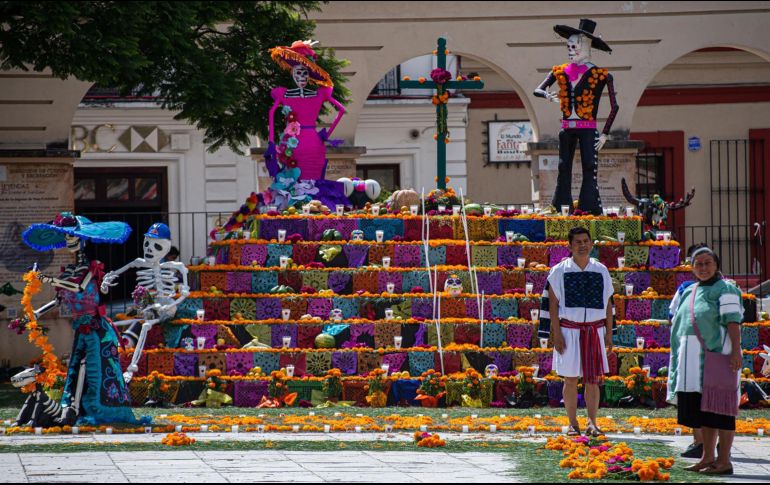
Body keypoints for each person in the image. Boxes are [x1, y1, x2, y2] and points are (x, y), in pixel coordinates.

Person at [667, 245, 743, 475]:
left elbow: (733, 322)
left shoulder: (726, 288)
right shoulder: (690, 290)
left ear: (717, 265)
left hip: (717, 360)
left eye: (707, 263)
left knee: (722, 412)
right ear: (691, 268)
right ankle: (707, 457)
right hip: (691, 364)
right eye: (698, 263)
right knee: (704, 412)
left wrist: (736, 351)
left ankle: (724, 461)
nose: (703, 267)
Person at [534, 19, 619, 215]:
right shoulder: (560, 70)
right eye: (568, 46)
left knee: (590, 166)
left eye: (574, 46)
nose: (570, 50)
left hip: (588, 128)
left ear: (586, 47)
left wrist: (605, 134)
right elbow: (538, 89)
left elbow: (615, 106)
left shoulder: (601, 74)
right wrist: (547, 94)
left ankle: (589, 207)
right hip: (567, 127)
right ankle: (560, 206)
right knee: (564, 167)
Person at [548, 227, 614, 436]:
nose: (583, 245)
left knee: (593, 380)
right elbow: (553, 305)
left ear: (592, 244)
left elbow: (608, 304)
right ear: (570, 246)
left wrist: (609, 334)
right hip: (569, 331)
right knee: (570, 379)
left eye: (586, 241)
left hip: (594, 331)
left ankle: (592, 423)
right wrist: (556, 334)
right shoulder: (560, 271)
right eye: (578, 242)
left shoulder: (601, 270)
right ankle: (572, 423)